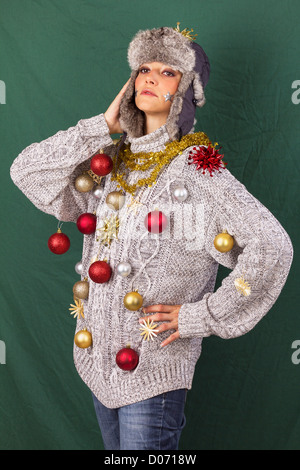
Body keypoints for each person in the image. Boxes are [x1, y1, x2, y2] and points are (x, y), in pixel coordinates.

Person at [10, 25, 293, 451]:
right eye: (143, 68)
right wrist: (103, 125)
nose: (150, 77)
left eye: (167, 71)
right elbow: (27, 172)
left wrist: (200, 315)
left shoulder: (198, 168)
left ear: (186, 91)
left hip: (153, 373)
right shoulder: (109, 165)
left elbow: (272, 247)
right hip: (95, 364)